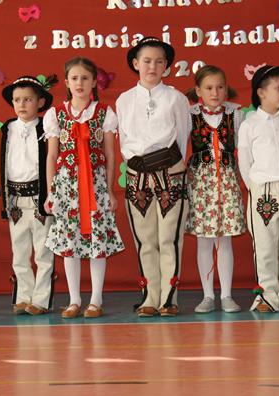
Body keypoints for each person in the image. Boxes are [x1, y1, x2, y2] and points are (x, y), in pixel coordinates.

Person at [44, 57, 124, 318]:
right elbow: (52, 155)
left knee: (97, 240)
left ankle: (96, 299)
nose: (80, 83)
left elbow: (110, 154)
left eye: (85, 78)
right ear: (67, 82)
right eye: (75, 78)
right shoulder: (56, 114)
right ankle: (74, 299)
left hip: (96, 184)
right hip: (67, 186)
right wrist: (51, 192)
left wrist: (110, 190)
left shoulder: (104, 113)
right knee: (71, 241)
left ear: (94, 82)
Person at [116, 37, 190, 317]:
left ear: (166, 66)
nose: (152, 66)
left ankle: (169, 297)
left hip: (170, 170)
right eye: (146, 61)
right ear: (136, 64)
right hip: (137, 173)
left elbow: (182, 137)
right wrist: (136, 165)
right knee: (145, 239)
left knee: (169, 237)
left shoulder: (176, 98)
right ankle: (150, 295)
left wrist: (171, 166)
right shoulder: (124, 100)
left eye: (159, 61)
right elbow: (124, 139)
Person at [238, 64, 279, 313]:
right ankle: (267, 295)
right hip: (262, 190)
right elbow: (245, 161)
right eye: (278, 87)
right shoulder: (250, 125)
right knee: (265, 246)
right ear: (261, 92)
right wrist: (256, 188)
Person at [185, 65, 246, 313]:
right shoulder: (190, 115)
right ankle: (208, 295)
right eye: (209, 88)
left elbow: (245, 149)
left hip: (227, 183)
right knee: (204, 241)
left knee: (225, 240)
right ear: (198, 90)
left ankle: (227, 295)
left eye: (220, 87)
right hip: (201, 184)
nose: (215, 92)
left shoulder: (236, 114)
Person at [0, 75, 56, 315]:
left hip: (40, 198)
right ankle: (23, 296)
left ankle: (40, 299)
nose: (22, 104)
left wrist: (52, 194)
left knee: (43, 251)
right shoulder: (5, 130)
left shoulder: (47, 129)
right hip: (15, 199)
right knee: (19, 251)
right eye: (17, 99)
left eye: (28, 99)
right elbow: (0, 164)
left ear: (40, 103)